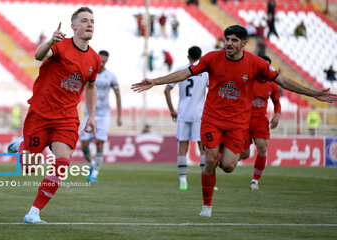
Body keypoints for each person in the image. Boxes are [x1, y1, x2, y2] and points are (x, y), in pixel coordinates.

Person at [132, 25, 337, 217]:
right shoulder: (212, 58)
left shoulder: (256, 63)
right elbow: (186, 72)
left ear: (244, 44)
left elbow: (282, 81)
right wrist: (155, 81)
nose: (229, 43)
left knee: (228, 165)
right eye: (227, 39)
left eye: (234, 40)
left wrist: (313, 93)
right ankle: (207, 206)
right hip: (212, 119)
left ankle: (222, 154)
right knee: (210, 159)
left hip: (238, 124)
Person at [7, 7, 101, 223]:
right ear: (74, 26)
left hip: (66, 118)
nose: (90, 25)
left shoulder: (95, 59)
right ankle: (23, 144)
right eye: (85, 21)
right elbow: (39, 55)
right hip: (40, 113)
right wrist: (50, 40)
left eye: (92, 21)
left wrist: (91, 116)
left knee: (62, 163)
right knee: (29, 167)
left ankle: (34, 212)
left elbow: (91, 86)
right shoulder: (60, 45)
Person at [164, 46, 208, 191]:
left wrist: (171, 110)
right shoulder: (205, 73)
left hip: (183, 114)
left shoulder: (181, 70)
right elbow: (213, 90)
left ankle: (183, 181)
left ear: (188, 57)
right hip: (199, 115)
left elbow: (167, 90)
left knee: (183, 148)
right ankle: (206, 181)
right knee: (203, 148)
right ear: (200, 57)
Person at [80, 50, 122, 183]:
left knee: (100, 143)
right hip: (88, 112)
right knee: (84, 144)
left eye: (104, 61)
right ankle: (92, 164)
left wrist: (119, 115)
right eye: (100, 61)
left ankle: (95, 173)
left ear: (107, 61)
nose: (102, 63)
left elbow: (117, 95)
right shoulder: (89, 72)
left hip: (104, 114)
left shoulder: (111, 76)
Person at [239, 56, 281, 191]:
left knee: (262, 148)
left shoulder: (272, 85)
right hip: (244, 119)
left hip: (260, 120)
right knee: (244, 153)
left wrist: (277, 115)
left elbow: (276, 102)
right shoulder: (247, 80)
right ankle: (224, 158)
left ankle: (254, 181)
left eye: (267, 67)